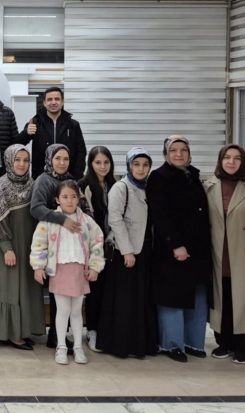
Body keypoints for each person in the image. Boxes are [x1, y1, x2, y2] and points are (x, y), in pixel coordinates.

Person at [203, 144, 245, 365]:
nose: (231, 162)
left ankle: (244, 346)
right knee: (222, 298)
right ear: (220, 160)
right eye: (227, 157)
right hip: (218, 252)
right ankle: (223, 343)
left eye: (237, 158)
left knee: (244, 299)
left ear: (243, 161)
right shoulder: (209, 186)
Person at [146, 135, 212, 363]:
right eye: (173, 150)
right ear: (166, 154)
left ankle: (193, 342)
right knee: (172, 297)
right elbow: (160, 214)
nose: (179, 154)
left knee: (196, 296)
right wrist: (175, 244)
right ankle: (171, 344)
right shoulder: (159, 177)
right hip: (172, 250)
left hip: (198, 250)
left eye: (183, 150)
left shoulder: (193, 175)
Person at [29, 180, 105, 365]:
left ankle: (78, 347)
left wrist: (94, 266)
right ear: (57, 199)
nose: (69, 201)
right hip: (59, 271)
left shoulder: (87, 221)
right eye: (65, 197)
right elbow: (39, 244)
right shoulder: (50, 221)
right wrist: (38, 266)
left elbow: (97, 241)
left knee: (77, 311)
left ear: (79, 198)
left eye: (73, 197)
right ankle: (61, 346)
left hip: (79, 271)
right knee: (62, 310)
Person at [97, 147, 158, 358]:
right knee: (124, 300)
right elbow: (115, 221)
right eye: (136, 164)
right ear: (129, 165)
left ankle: (140, 345)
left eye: (145, 165)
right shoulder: (121, 187)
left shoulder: (149, 187)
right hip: (126, 253)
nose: (141, 169)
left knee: (141, 299)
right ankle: (121, 345)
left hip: (145, 251)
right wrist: (127, 251)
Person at [0, 144, 45, 350]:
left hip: (28, 244)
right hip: (8, 245)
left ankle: (24, 330)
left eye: (25, 160)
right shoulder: (1, 184)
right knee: (9, 288)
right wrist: (6, 247)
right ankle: (10, 333)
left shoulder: (33, 184)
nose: (21, 164)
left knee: (26, 287)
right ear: (9, 161)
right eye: (17, 160)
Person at [29, 144, 78, 349]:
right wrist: (61, 219)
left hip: (70, 242)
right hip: (51, 241)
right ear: (50, 159)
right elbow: (36, 208)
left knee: (66, 290)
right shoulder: (44, 180)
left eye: (66, 159)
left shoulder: (70, 180)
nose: (62, 162)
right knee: (57, 291)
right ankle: (56, 335)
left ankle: (60, 334)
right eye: (58, 158)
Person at [77, 146, 115, 352]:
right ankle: (91, 330)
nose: (102, 166)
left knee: (108, 290)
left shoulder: (115, 185)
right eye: (98, 162)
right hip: (92, 246)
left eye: (106, 162)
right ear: (90, 164)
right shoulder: (82, 186)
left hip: (112, 247)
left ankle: (106, 329)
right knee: (94, 291)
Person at [16, 87, 87, 179]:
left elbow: (81, 152)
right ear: (44, 103)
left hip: (68, 178)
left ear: (62, 102)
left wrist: (77, 176)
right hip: (42, 178)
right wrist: (26, 133)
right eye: (49, 99)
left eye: (57, 99)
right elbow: (17, 145)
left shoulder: (73, 125)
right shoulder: (35, 123)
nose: (53, 102)